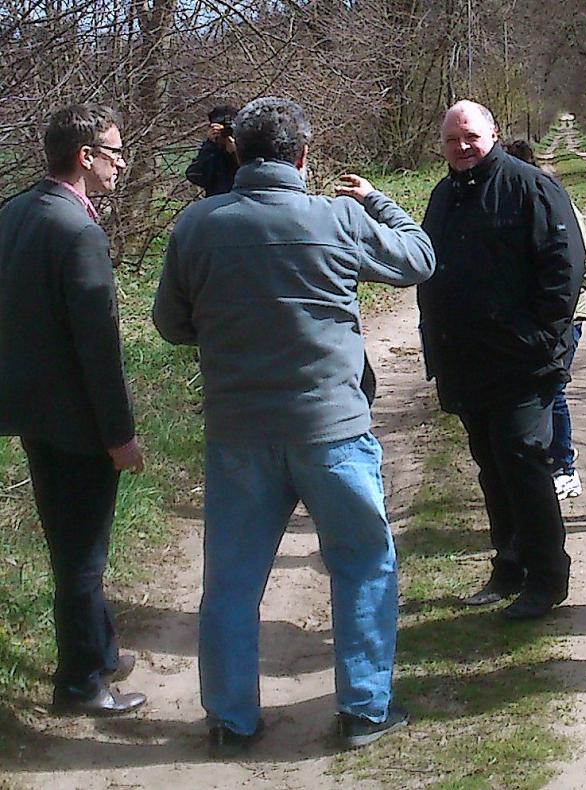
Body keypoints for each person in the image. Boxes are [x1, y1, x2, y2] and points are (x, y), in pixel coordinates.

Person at [153, 97, 435, 755]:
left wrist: (226, 327)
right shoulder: (338, 217)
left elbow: (169, 325)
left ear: (239, 154)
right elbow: (419, 259)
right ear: (303, 156)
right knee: (363, 563)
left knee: (230, 582)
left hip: (238, 431)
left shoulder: (197, 225)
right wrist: (381, 202)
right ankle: (364, 711)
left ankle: (230, 720)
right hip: (331, 427)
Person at [0, 103, 146, 716]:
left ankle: (101, 650)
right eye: (113, 153)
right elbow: (99, 347)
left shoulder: (11, 212)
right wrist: (120, 436)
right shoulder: (78, 231)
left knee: (69, 543)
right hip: (78, 422)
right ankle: (83, 683)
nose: (121, 165)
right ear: (84, 157)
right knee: (82, 556)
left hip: (28, 413)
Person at [418, 101, 586, 620]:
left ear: (492, 134)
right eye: (452, 140)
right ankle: (508, 565)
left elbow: (565, 270)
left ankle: (547, 578)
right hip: (466, 363)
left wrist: (536, 338)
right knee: (491, 469)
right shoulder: (443, 195)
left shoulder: (530, 187)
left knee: (522, 464)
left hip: (521, 365)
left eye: (470, 136)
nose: (462, 147)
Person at [503, 139, 586, 501]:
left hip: (564, 320)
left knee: (553, 390)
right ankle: (540, 464)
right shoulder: (510, 207)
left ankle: (565, 468)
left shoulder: (555, 201)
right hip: (529, 322)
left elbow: (583, 264)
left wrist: (556, 310)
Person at [185, 104, 240, 196]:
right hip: (217, 204)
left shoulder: (247, 148)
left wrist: (236, 152)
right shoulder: (212, 152)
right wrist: (211, 145)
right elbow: (195, 175)